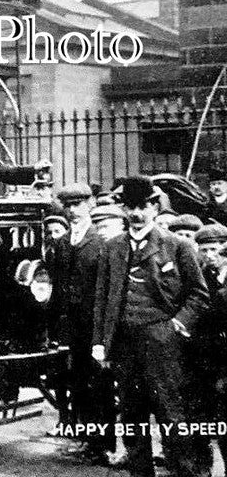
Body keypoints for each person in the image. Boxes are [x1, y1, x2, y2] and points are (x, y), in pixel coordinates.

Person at [91, 175, 209, 477]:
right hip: (124, 345)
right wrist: (99, 342)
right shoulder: (112, 247)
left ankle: (184, 472)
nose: (136, 213)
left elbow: (198, 294)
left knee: (171, 415)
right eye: (130, 206)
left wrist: (176, 327)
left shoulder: (177, 245)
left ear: (155, 207)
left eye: (142, 206)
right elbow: (103, 297)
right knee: (132, 418)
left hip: (162, 343)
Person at [49, 183, 115, 464]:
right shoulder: (62, 243)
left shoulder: (102, 243)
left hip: (94, 326)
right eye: (68, 206)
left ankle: (103, 445)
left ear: (89, 205)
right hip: (71, 328)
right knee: (78, 384)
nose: (73, 211)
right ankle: (87, 440)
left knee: (99, 385)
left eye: (78, 205)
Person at [191, 223, 227, 471]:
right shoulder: (198, 276)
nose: (209, 256)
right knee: (200, 418)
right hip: (202, 359)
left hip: (223, 361)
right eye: (203, 250)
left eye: (214, 250)